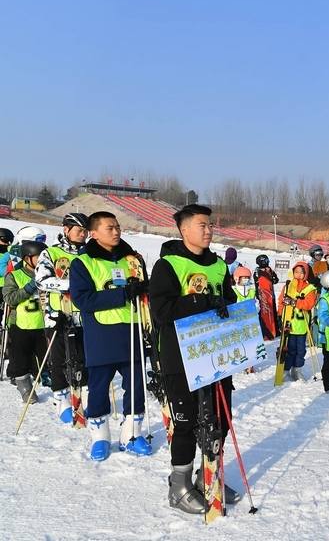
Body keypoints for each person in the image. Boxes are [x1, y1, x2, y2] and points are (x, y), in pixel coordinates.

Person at [148, 203, 239, 513]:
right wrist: (201, 301)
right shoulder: (168, 265)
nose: (209, 230)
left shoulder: (218, 265)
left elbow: (229, 298)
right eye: (202, 225)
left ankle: (208, 476)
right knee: (186, 424)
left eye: (210, 224)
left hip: (216, 355)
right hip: (180, 357)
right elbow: (161, 311)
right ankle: (179, 485)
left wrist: (227, 303)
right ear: (184, 229)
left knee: (219, 420)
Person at [69, 211, 150, 461]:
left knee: (136, 386)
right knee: (98, 388)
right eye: (109, 228)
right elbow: (83, 299)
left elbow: (145, 293)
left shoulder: (133, 260)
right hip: (102, 334)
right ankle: (101, 438)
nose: (116, 232)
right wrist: (122, 294)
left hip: (133, 331)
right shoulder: (83, 263)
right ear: (93, 233)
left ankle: (132, 436)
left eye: (117, 227)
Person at [34, 212, 90, 424]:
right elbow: (42, 280)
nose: (82, 235)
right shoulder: (51, 253)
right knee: (58, 358)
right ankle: (60, 397)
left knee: (84, 358)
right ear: (66, 230)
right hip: (57, 315)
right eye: (78, 231)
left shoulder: (88, 254)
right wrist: (73, 287)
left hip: (84, 315)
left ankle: (84, 396)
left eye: (85, 231)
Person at [2, 240, 49, 403]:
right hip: (21, 325)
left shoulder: (48, 276)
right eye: (39, 257)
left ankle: (51, 382)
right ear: (27, 258)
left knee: (47, 357)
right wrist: (29, 288)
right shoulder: (15, 275)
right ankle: (26, 390)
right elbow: (9, 298)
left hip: (43, 324)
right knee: (20, 359)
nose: (42, 261)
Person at [279, 262, 317, 380]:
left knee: (300, 350)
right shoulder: (288, 286)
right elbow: (281, 302)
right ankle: (285, 371)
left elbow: (309, 304)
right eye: (296, 272)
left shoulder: (310, 288)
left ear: (306, 274)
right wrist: (279, 315)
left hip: (301, 325)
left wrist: (296, 302)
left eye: (302, 272)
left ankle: (297, 370)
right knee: (289, 349)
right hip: (289, 324)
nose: (299, 274)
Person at [254, 255, 279, 341]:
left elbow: (276, 280)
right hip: (262, 297)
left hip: (271, 295)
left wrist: (270, 274)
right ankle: (264, 332)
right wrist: (264, 273)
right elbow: (257, 282)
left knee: (273, 313)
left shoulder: (270, 270)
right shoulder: (256, 272)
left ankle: (275, 330)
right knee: (263, 314)